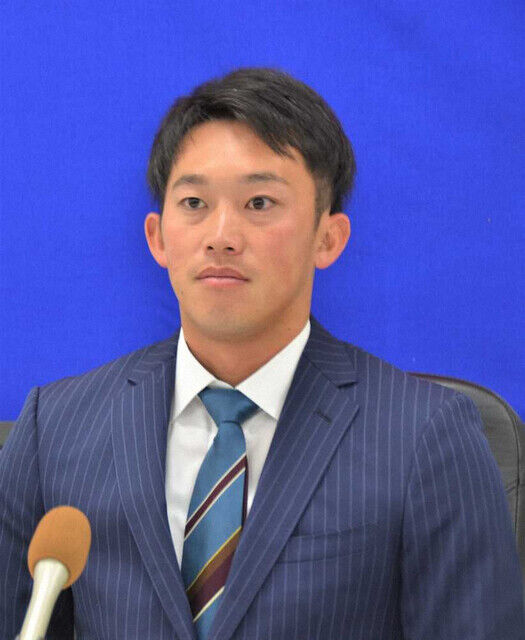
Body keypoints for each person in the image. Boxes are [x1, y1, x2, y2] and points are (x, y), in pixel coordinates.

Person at [0, 66, 523, 640]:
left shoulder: (425, 437)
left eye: (259, 202)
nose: (221, 236)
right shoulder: (57, 430)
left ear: (328, 237)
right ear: (158, 237)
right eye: (194, 202)